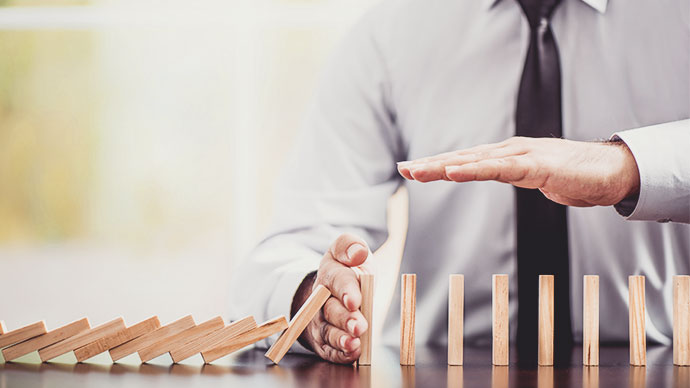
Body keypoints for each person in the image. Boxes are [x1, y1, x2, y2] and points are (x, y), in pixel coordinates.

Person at [230, 0, 690, 364]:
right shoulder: (389, 34)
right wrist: (315, 300)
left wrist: (627, 168)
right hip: (436, 372)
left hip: (666, 364)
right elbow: (295, 244)